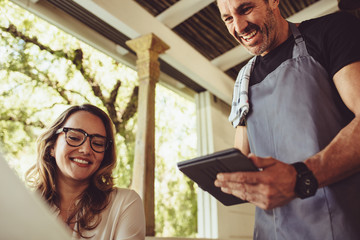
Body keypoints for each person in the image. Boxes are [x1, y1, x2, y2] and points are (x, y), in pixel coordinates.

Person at [214, 0, 360, 239]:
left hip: (339, 226)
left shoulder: (332, 30)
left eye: (246, 9)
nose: (239, 27)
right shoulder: (244, 79)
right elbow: (241, 157)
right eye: (228, 18)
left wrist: (301, 177)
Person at [26, 104, 145, 239]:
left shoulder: (124, 203)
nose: (86, 150)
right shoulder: (22, 206)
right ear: (52, 146)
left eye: (98, 143)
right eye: (74, 138)